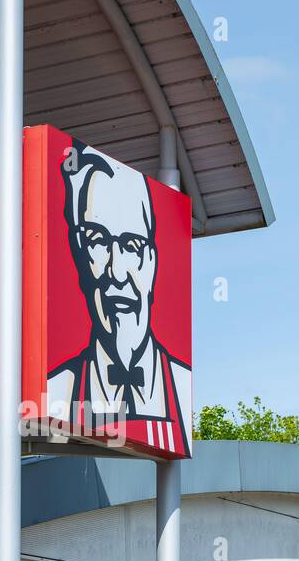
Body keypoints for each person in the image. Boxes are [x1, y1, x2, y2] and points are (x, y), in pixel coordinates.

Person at [47, 141, 191, 455]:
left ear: (152, 261)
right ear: (79, 254)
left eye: (131, 245)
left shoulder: (182, 388)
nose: (117, 270)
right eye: (98, 240)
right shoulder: (53, 391)